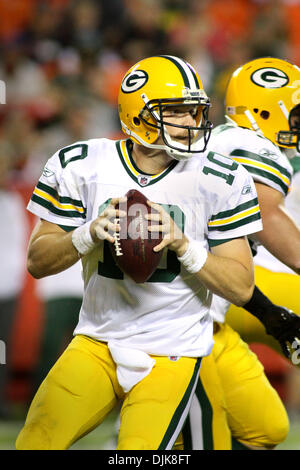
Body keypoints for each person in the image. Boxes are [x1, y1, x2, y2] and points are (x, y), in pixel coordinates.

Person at [16, 55, 262, 450]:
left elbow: (242, 286)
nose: (191, 124)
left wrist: (185, 245)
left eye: (195, 112)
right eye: (177, 113)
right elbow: (38, 262)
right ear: (138, 114)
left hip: (174, 351)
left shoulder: (221, 177)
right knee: (35, 443)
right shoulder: (82, 164)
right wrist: (87, 233)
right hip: (96, 341)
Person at [184, 57, 300, 450]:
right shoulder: (246, 144)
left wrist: (270, 314)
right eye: (295, 114)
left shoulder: (222, 141)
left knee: (267, 428)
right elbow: (265, 215)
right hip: (180, 321)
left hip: (211, 310)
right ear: (265, 110)